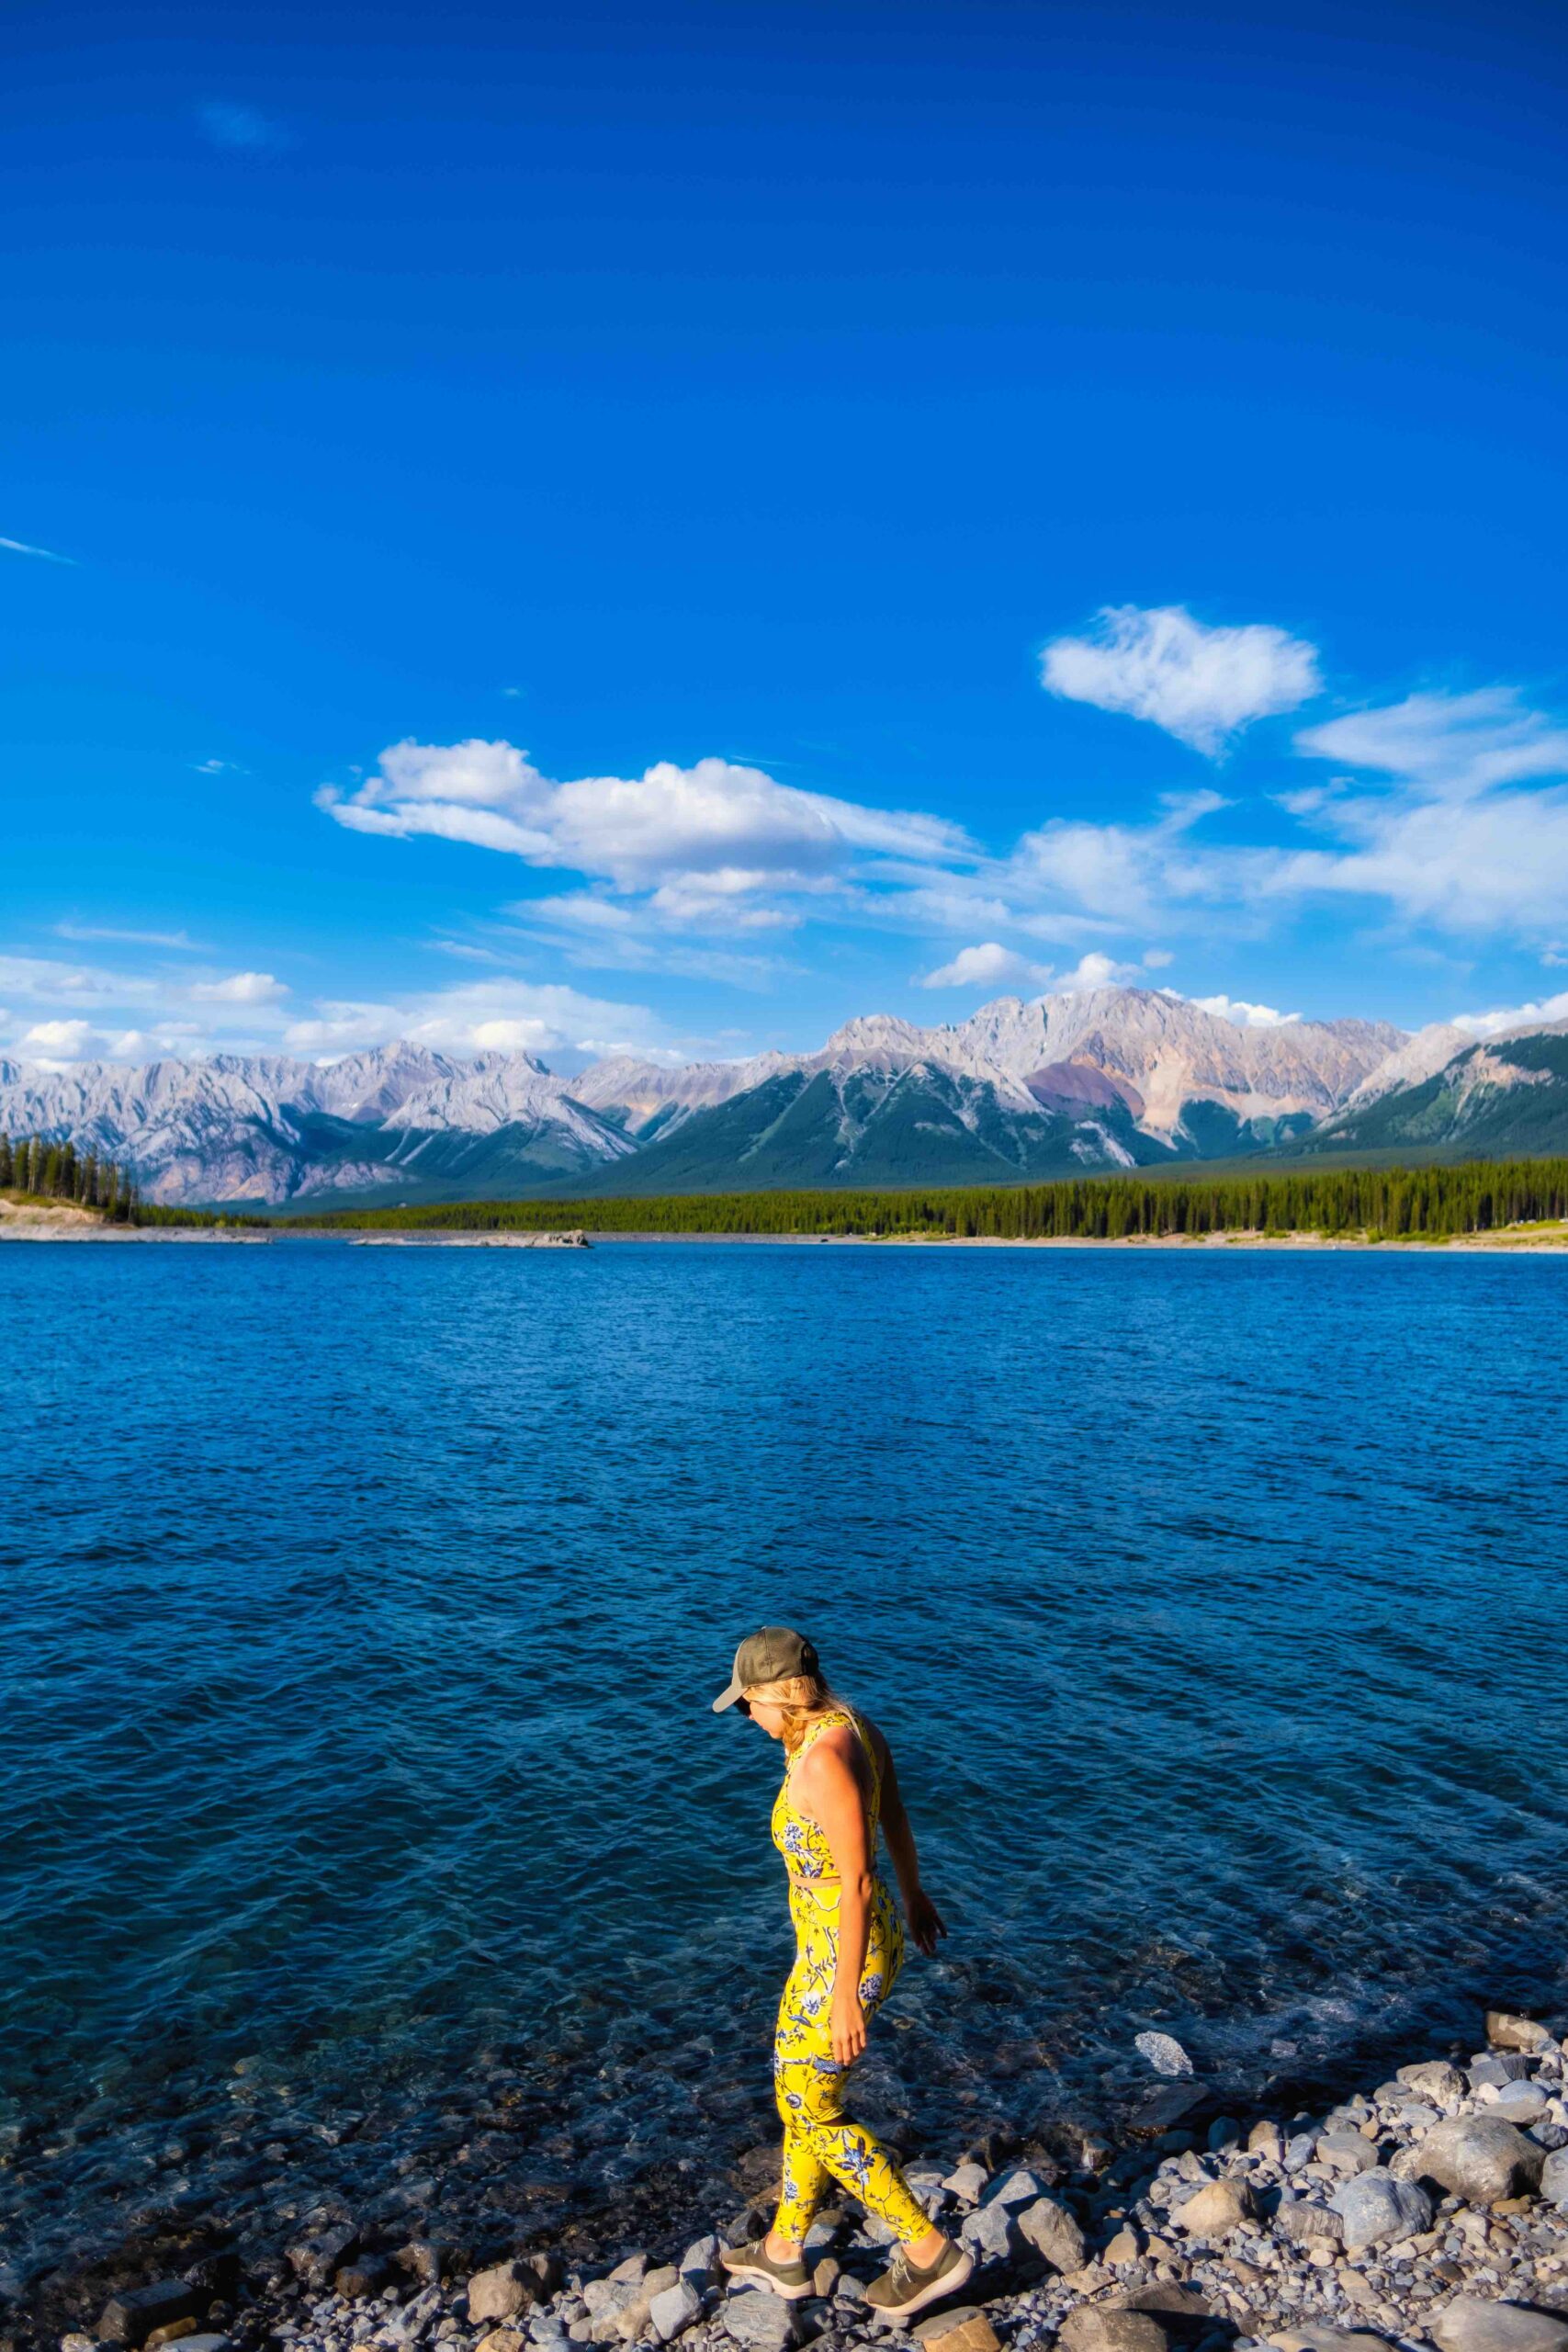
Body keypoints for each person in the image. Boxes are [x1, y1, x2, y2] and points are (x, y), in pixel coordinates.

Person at [711, 1625, 973, 2323]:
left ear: (778, 1697)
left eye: (747, 1706)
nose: (746, 1719)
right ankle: (783, 2249)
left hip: (839, 1957)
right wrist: (915, 1895)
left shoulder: (823, 1758)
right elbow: (893, 1817)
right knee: (799, 2092)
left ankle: (926, 2253)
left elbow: (855, 1883)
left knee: (812, 2107)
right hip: (849, 1944)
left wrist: (842, 2002)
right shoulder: (852, 1726)